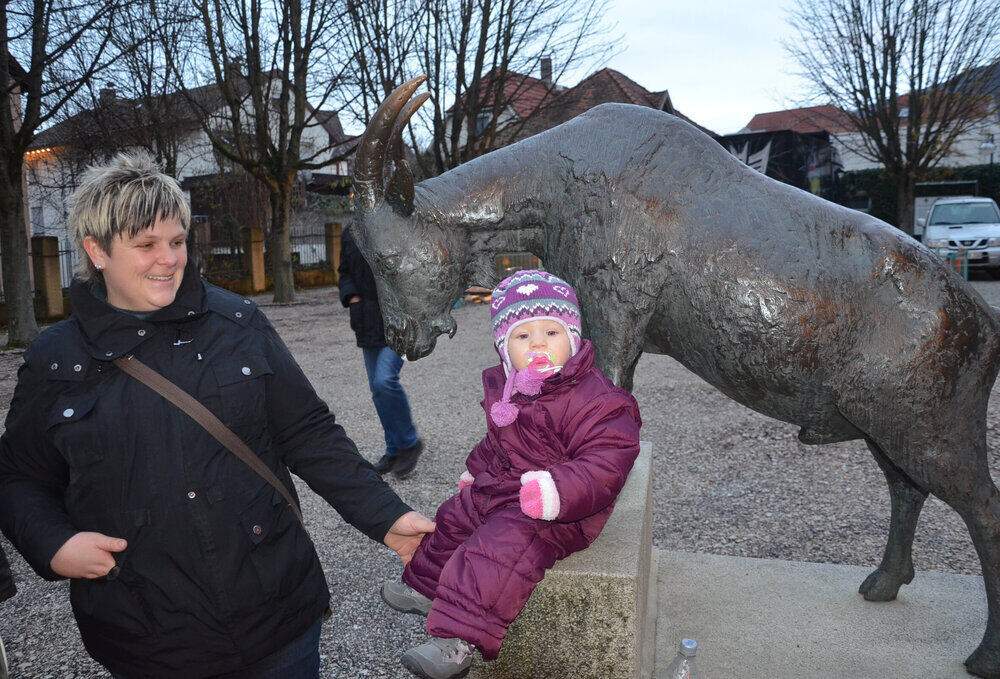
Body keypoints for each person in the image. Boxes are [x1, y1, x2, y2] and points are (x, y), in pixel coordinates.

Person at [0, 153, 434, 679]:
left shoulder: (238, 322)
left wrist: (386, 516)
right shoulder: (55, 357)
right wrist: (54, 544)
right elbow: (20, 476)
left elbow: (308, 433)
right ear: (96, 251)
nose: (169, 260)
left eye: (177, 241)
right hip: (147, 634)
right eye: (146, 245)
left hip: (275, 617)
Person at [379, 270, 642, 679]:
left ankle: (457, 641)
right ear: (505, 348)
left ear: (572, 337)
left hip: (560, 507)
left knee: (500, 548)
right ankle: (425, 585)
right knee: (455, 516)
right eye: (523, 336)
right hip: (508, 486)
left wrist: (555, 492)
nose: (538, 343)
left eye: (551, 332)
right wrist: (476, 471)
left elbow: (606, 463)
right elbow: (498, 444)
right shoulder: (510, 387)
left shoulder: (598, 399)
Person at [338, 224, 423, 478]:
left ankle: (410, 443)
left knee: (385, 380)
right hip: (366, 320)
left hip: (399, 320)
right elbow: (344, 272)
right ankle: (394, 450)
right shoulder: (351, 231)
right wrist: (352, 297)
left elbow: (414, 270)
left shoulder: (397, 225)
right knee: (377, 390)